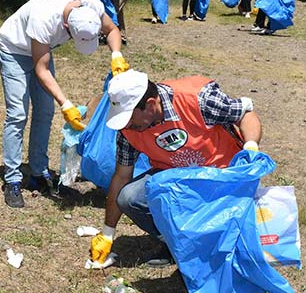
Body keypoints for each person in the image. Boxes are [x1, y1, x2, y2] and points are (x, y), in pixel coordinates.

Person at [86, 70, 263, 269]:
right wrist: (107, 232)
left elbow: (245, 114)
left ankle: (217, 239)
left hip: (220, 175)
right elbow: (121, 176)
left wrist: (251, 149)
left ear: (151, 104)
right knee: (130, 197)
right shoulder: (128, 130)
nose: (127, 125)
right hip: (173, 176)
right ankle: (177, 245)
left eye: (131, 118)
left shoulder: (198, 99)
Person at [0, 0, 127, 208]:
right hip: (14, 49)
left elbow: (113, 29)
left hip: (41, 47)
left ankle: (38, 173)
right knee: (18, 114)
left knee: (45, 112)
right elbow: (42, 69)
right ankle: (13, 179)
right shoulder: (44, 18)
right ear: (67, 27)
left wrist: (116, 55)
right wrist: (66, 104)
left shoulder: (91, 5)